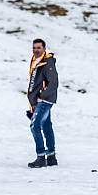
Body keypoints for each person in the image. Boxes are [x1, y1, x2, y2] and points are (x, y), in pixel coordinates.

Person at [26, 38, 58, 168]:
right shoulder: (36, 61)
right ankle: (51, 157)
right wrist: (32, 102)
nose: (36, 50)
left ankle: (41, 157)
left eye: (38, 48)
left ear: (44, 49)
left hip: (44, 100)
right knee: (46, 126)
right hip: (39, 100)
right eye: (34, 48)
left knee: (35, 126)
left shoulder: (48, 62)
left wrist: (41, 96)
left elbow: (54, 83)